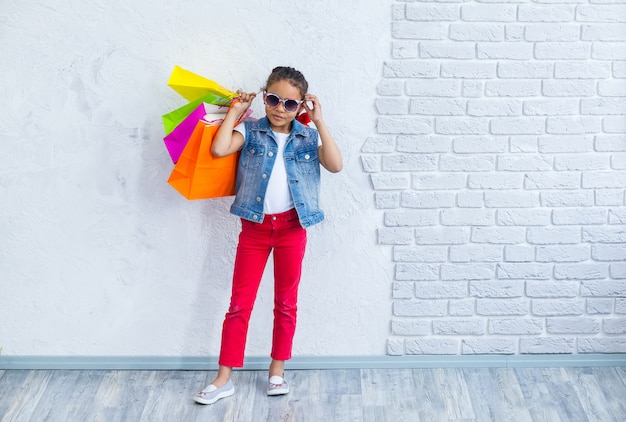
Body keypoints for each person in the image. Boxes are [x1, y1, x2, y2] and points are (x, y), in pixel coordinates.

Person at [193, 66, 342, 405]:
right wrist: (234, 111)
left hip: (292, 229)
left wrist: (319, 122)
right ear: (264, 98)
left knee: (285, 303)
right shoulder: (251, 131)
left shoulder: (308, 136)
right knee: (238, 305)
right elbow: (219, 150)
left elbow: (335, 165)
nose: (280, 108)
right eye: (274, 99)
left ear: (301, 105)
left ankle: (277, 372)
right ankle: (224, 378)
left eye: (290, 103)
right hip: (255, 229)